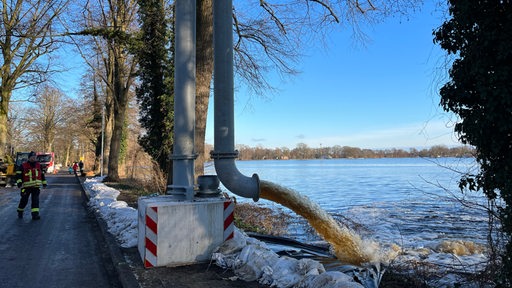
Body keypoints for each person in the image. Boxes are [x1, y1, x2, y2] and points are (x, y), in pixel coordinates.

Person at [16, 151, 47, 220]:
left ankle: (35, 215)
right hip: (26, 187)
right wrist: (19, 183)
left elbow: (42, 175)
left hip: (36, 187)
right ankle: (20, 211)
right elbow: (18, 175)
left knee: (35, 201)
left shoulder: (39, 165)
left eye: (35, 157)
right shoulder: (23, 165)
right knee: (24, 200)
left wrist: (44, 183)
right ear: (29, 158)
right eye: (32, 157)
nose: (34, 158)